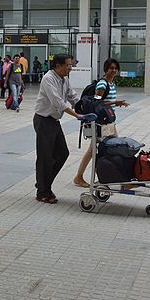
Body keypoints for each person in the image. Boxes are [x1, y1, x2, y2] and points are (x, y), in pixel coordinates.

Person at [73, 58, 130, 188]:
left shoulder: (111, 84)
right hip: (101, 123)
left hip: (109, 121)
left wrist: (115, 104)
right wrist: (116, 103)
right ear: (105, 70)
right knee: (104, 149)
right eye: (111, 68)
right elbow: (97, 102)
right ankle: (80, 177)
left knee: (111, 147)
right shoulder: (102, 84)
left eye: (115, 68)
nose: (114, 70)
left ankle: (120, 180)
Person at [34, 54, 82, 204]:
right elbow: (58, 102)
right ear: (58, 66)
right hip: (43, 120)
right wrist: (77, 115)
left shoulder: (64, 79)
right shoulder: (48, 79)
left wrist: (84, 107)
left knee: (62, 153)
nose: (70, 68)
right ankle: (43, 191)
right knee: (45, 158)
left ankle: (43, 183)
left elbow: (72, 96)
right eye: (68, 65)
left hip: (54, 121)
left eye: (70, 65)